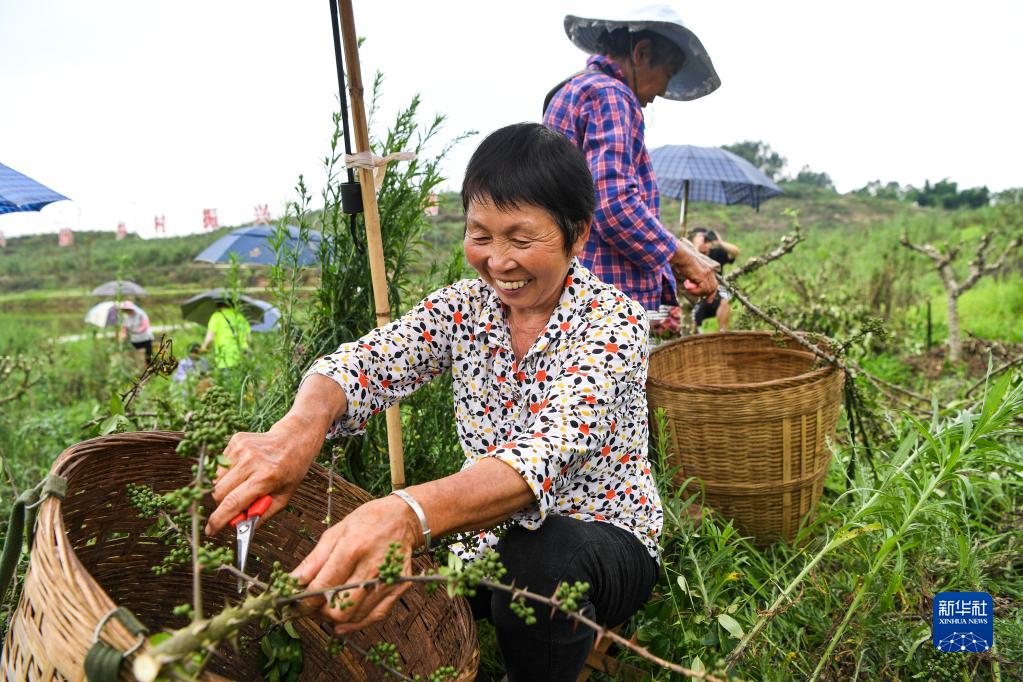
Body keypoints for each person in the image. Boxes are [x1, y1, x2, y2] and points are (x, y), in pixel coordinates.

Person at [206, 124, 662, 681]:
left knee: (541, 558)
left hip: (603, 538)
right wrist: (299, 427)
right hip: (485, 539)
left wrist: (408, 513)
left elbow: (543, 455)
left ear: (579, 235)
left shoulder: (613, 322)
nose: (499, 262)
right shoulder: (465, 307)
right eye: (480, 235)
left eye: (521, 240)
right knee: (379, 588)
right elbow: (367, 362)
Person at [543, 5, 721, 322]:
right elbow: (615, 206)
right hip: (604, 302)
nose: (663, 89)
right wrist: (682, 258)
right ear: (641, 53)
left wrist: (673, 258)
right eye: (668, 73)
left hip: (568, 292)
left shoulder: (572, 91)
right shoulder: (612, 95)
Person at [690, 228, 740, 331]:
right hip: (693, 298)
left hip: (712, 296)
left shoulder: (715, 253)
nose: (704, 240)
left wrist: (719, 242)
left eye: (706, 238)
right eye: (700, 236)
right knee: (691, 326)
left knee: (726, 297)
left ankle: (723, 332)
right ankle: (692, 332)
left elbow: (735, 252)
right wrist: (696, 249)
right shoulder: (688, 255)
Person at [200, 300, 251, 370]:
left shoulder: (216, 316)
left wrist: (204, 347)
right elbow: (249, 339)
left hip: (225, 360)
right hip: (243, 358)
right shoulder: (240, 316)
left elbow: (210, 339)